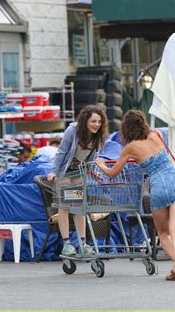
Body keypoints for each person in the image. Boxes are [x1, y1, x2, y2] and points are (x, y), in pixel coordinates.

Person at [95, 110, 175, 281]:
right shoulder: (155, 135)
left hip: (159, 187)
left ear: (126, 129)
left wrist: (101, 164)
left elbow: (112, 173)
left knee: (162, 232)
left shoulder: (130, 148)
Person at [47, 105, 109, 256]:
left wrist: (94, 173)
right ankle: (67, 244)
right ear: (85, 120)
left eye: (99, 122)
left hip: (80, 174)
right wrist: (53, 171)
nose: (97, 124)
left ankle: (82, 243)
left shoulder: (97, 136)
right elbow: (62, 152)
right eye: (93, 121)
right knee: (65, 207)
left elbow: (92, 158)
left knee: (79, 208)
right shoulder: (72, 131)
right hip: (65, 172)